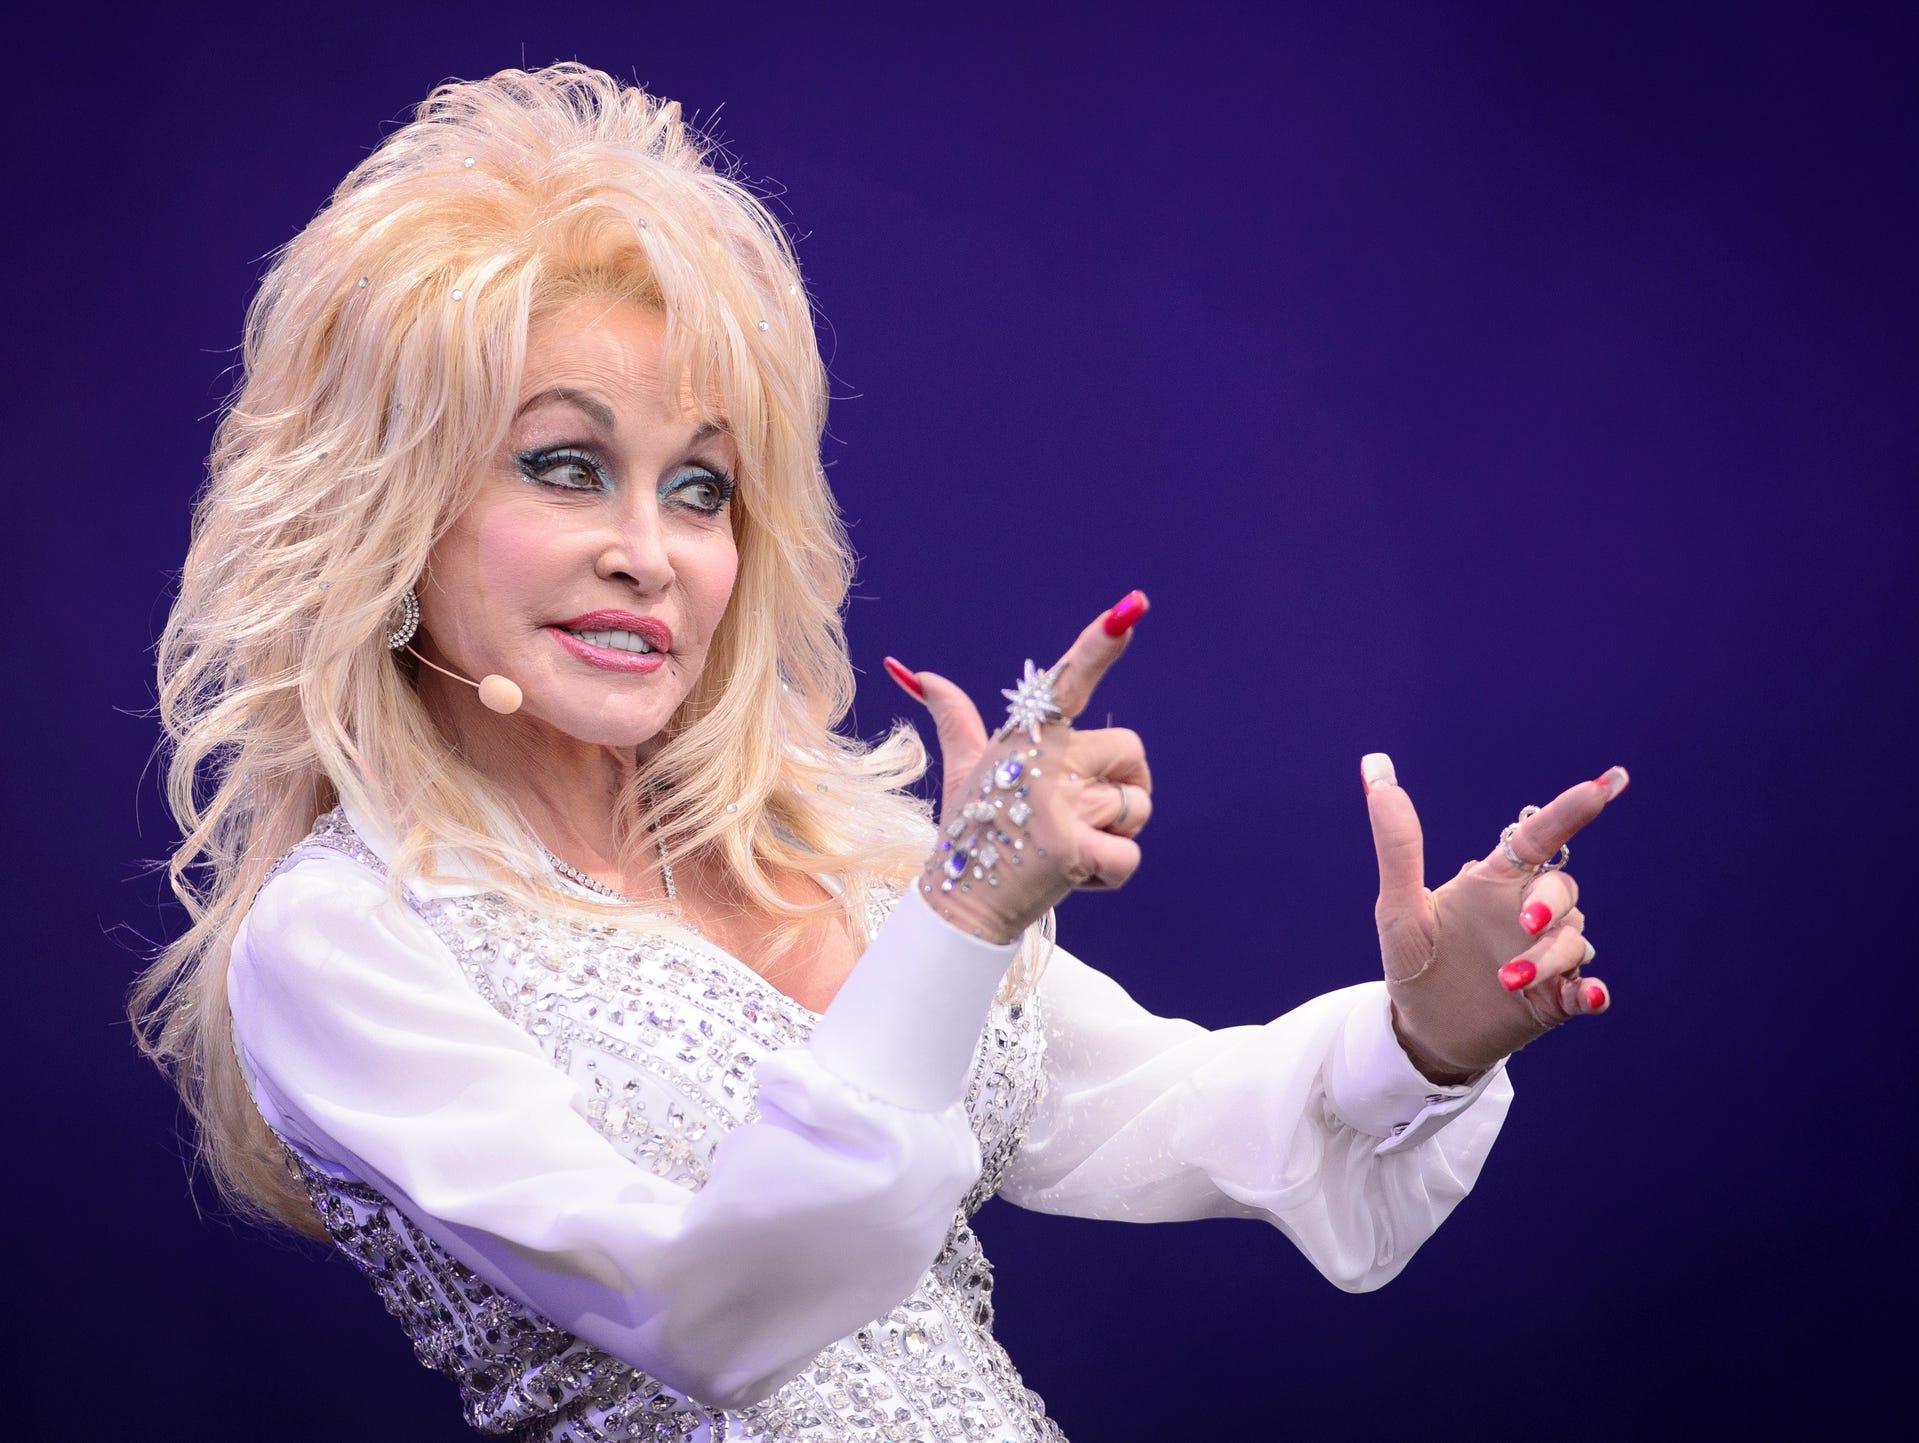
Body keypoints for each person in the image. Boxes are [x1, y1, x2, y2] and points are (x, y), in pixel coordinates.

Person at [134, 64, 1628, 1439]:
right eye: (567, 466)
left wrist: (1426, 1037)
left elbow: (1180, 1114)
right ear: (390, 519)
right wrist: (961, 915)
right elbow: (702, 1311)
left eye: (701, 488)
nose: (652, 552)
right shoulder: (343, 937)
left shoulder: (826, 850)